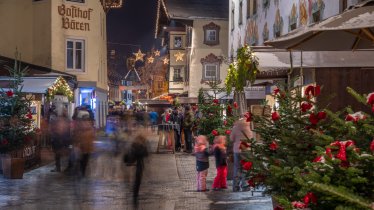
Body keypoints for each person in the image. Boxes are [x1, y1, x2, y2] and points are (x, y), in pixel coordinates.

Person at [67, 105, 95, 177]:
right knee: (83, 160)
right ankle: (81, 172)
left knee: (81, 160)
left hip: (83, 146)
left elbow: (76, 135)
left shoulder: (81, 126)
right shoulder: (89, 126)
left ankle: (80, 171)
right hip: (85, 147)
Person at [124, 134, 149, 207]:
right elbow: (128, 157)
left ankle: (135, 194)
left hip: (136, 165)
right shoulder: (135, 146)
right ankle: (134, 195)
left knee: (137, 181)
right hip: (134, 165)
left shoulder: (137, 145)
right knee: (136, 181)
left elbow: (145, 154)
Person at [230, 118, 253, 192]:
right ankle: (245, 186)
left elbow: (231, 139)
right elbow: (253, 138)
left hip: (237, 150)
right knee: (246, 167)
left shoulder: (236, 126)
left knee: (237, 168)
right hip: (247, 149)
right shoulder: (250, 126)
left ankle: (235, 187)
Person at [49, 107, 70, 172]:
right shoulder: (66, 120)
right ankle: (60, 167)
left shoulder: (60, 120)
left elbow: (57, 129)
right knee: (59, 154)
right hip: (62, 139)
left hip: (60, 139)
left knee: (59, 153)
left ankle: (60, 167)